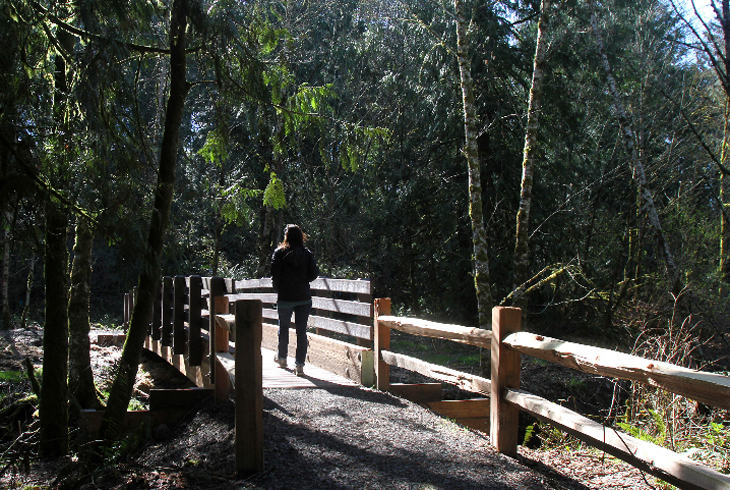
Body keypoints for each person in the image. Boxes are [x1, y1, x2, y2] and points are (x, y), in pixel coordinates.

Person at [271, 224, 319, 376]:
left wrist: (280, 290)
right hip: (303, 298)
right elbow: (313, 274)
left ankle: (283, 358)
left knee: (283, 329)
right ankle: (299, 365)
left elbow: (275, 275)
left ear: (286, 236)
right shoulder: (307, 254)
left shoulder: (279, 253)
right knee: (301, 332)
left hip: (285, 297)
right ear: (301, 237)